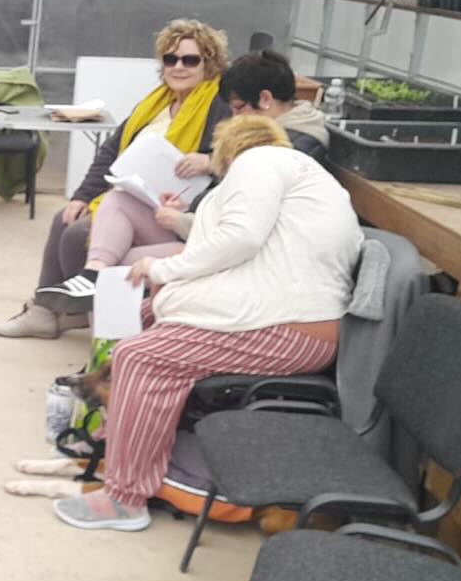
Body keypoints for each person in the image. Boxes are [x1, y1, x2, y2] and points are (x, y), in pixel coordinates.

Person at [53, 116, 363, 532]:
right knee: (140, 321)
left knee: (141, 356)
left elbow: (241, 238)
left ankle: (125, 498)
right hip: (291, 322)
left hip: (288, 327)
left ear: (226, 155)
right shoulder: (297, 174)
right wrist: (187, 221)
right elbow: (246, 241)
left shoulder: (258, 161)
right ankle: (109, 448)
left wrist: (162, 270)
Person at [0, 18, 232, 339]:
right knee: (65, 218)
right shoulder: (156, 103)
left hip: (176, 212)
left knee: (78, 235)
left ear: (209, 63)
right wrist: (82, 196)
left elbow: (239, 160)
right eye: (170, 59)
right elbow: (111, 152)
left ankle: (84, 314)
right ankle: (45, 311)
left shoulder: (220, 106)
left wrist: (210, 161)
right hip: (134, 198)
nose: (178, 67)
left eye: (190, 60)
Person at [219, 48, 330, 163]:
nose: (235, 116)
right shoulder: (297, 133)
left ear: (265, 99)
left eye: (239, 107)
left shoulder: (289, 151)